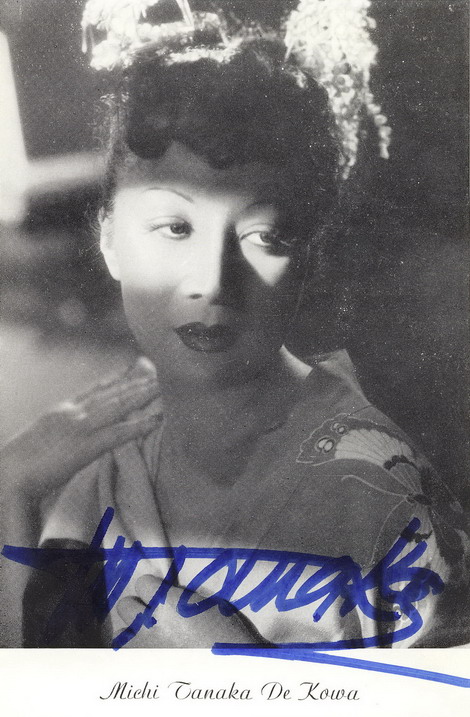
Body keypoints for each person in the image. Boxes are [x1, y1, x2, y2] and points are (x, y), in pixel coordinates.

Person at [1, 0, 468, 650]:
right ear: (108, 240)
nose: (212, 281)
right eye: (175, 227)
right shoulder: (95, 460)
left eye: (263, 235)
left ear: (308, 259)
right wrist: (11, 485)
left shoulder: (374, 485)